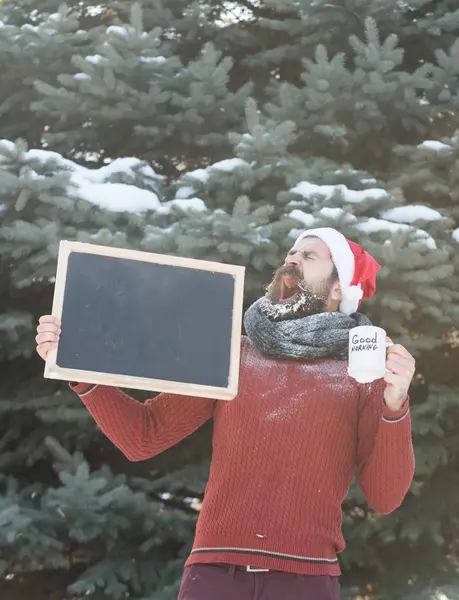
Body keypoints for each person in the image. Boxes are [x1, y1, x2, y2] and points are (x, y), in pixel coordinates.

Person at [35, 227, 416, 600]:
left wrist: (395, 403)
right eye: (291, 253)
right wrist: (76, 366)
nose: (292, 259)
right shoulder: (232, 353)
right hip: (214, 576)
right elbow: (143, 437)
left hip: (306, 580)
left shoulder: (363, 375)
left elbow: (384, 498)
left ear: (339, 288)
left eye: (309, 256)